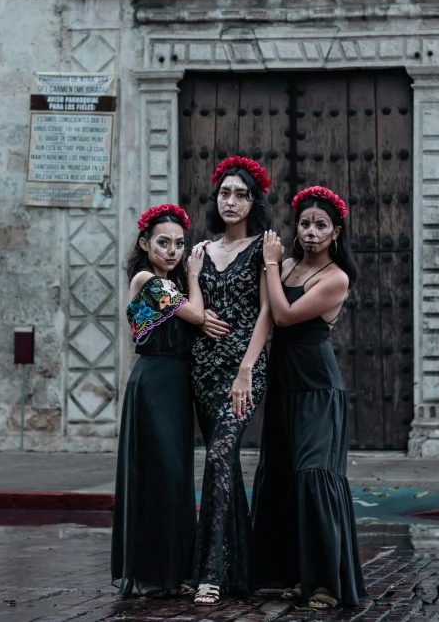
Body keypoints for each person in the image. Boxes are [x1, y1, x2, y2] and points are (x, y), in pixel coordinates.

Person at [252, 186, 366, 609]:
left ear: (336, 232)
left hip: (318, 389)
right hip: (284, 387)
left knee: (315, 476)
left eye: (321, 226)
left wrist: (268, 265)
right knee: (283, 479)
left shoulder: (336, 278)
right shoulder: (285, 266)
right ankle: (296, 575)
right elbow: (263, 315)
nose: (312, 232)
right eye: (305, 224)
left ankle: (326, 584)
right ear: (296, 229)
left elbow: (282, 315)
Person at [111, 204, 205, 598]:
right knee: (158, 474)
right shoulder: (147, 279)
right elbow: (199, 314)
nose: (172, 250)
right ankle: (152, 572)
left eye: (179, 244)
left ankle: (171, 572)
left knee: (175, 476)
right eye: (163, 242)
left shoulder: (172, 285)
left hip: (174, 387)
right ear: (145, 243)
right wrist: (197, 275)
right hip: (153, 385)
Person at [191, 157, 273, 605]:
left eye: (241, 194)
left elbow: (268, 312)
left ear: (254, 201)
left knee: (219, 455)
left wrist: (246, 369)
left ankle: (211, 574)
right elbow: (196, 306)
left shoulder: (265, 247)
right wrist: (198, 308)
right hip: (203, 369)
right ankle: (239, 569)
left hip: (245, 369)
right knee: (223, 464)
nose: (232, 201)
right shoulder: (202, 251)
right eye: (225, 193)